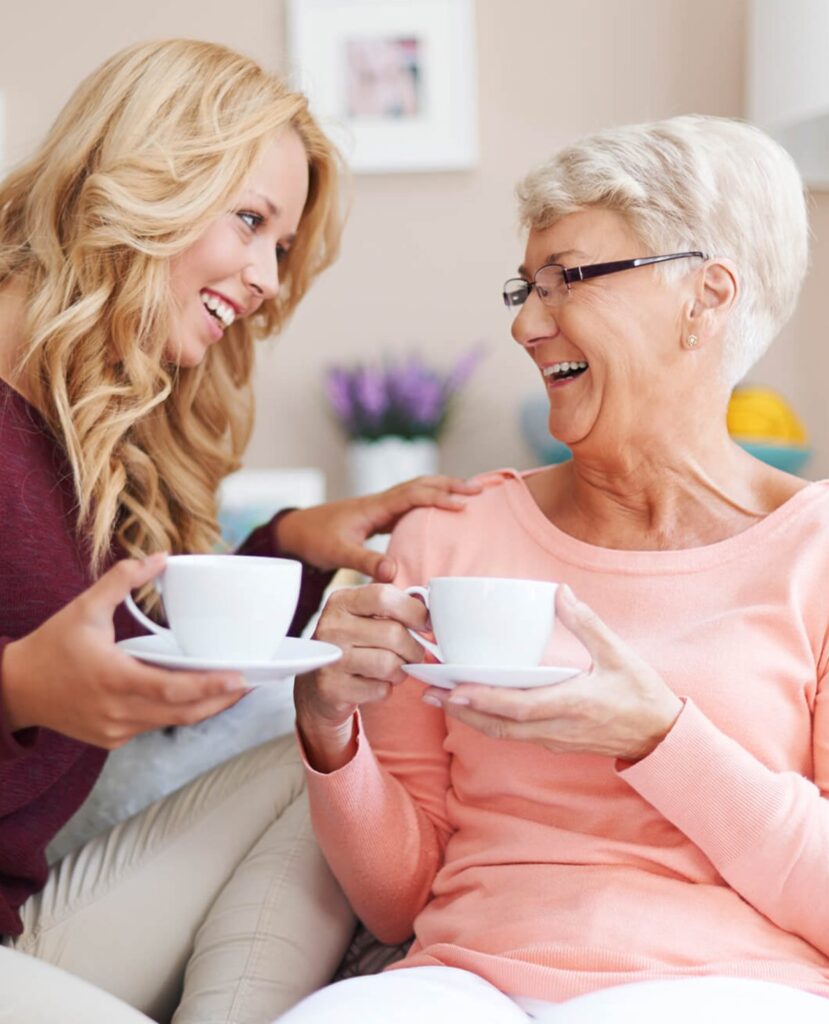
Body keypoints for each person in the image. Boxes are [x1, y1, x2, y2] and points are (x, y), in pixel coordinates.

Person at [287, 115, 829, 1023]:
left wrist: (658, 736)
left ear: (705, 297)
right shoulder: (448, 538)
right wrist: (324, 726)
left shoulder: (815, 551)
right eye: (524, 287)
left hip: (728, 989)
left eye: (566, 280)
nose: (525, 324)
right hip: (463, 985)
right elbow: (397, 901)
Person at [0, 39, 478, 1024]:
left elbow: (149, 665)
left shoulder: (86, 433)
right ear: (145, 178)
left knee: (330, 749)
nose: (265, 278)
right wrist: (17, 689)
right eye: (251, 221)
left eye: (281, 247)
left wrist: (295, 543)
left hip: (21, 920)